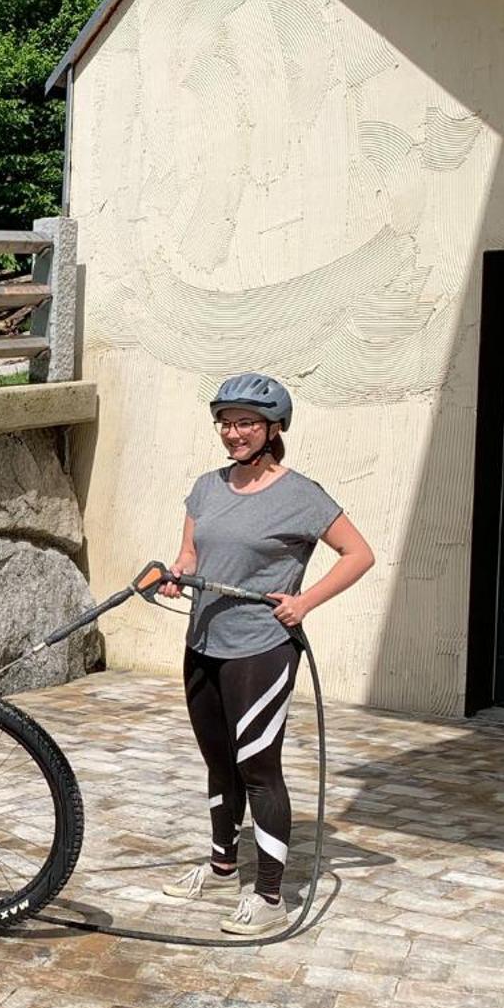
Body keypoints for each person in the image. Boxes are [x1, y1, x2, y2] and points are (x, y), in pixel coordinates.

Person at [157, 373, 373, 935]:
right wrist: (176, 576)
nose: (234, 433)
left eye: (247, 422)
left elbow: (358, 553)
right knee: (218, 762)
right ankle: (222, 863)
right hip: (203, 642)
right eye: (227, 422)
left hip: (261, 648)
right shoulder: (206, 487)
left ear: (274, 427)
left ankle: (271, 895)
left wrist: (305, 603)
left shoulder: (301, 495)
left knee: (258, 768)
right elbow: (189, 553)